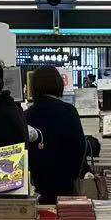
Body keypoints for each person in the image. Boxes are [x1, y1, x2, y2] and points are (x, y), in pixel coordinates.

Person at [22, 65, 88, 204]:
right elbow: (80, 147)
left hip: (37, 186)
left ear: (34, 87)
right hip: (66, 184)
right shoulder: (69, 111)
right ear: (59, 84)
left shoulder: (27, 115)